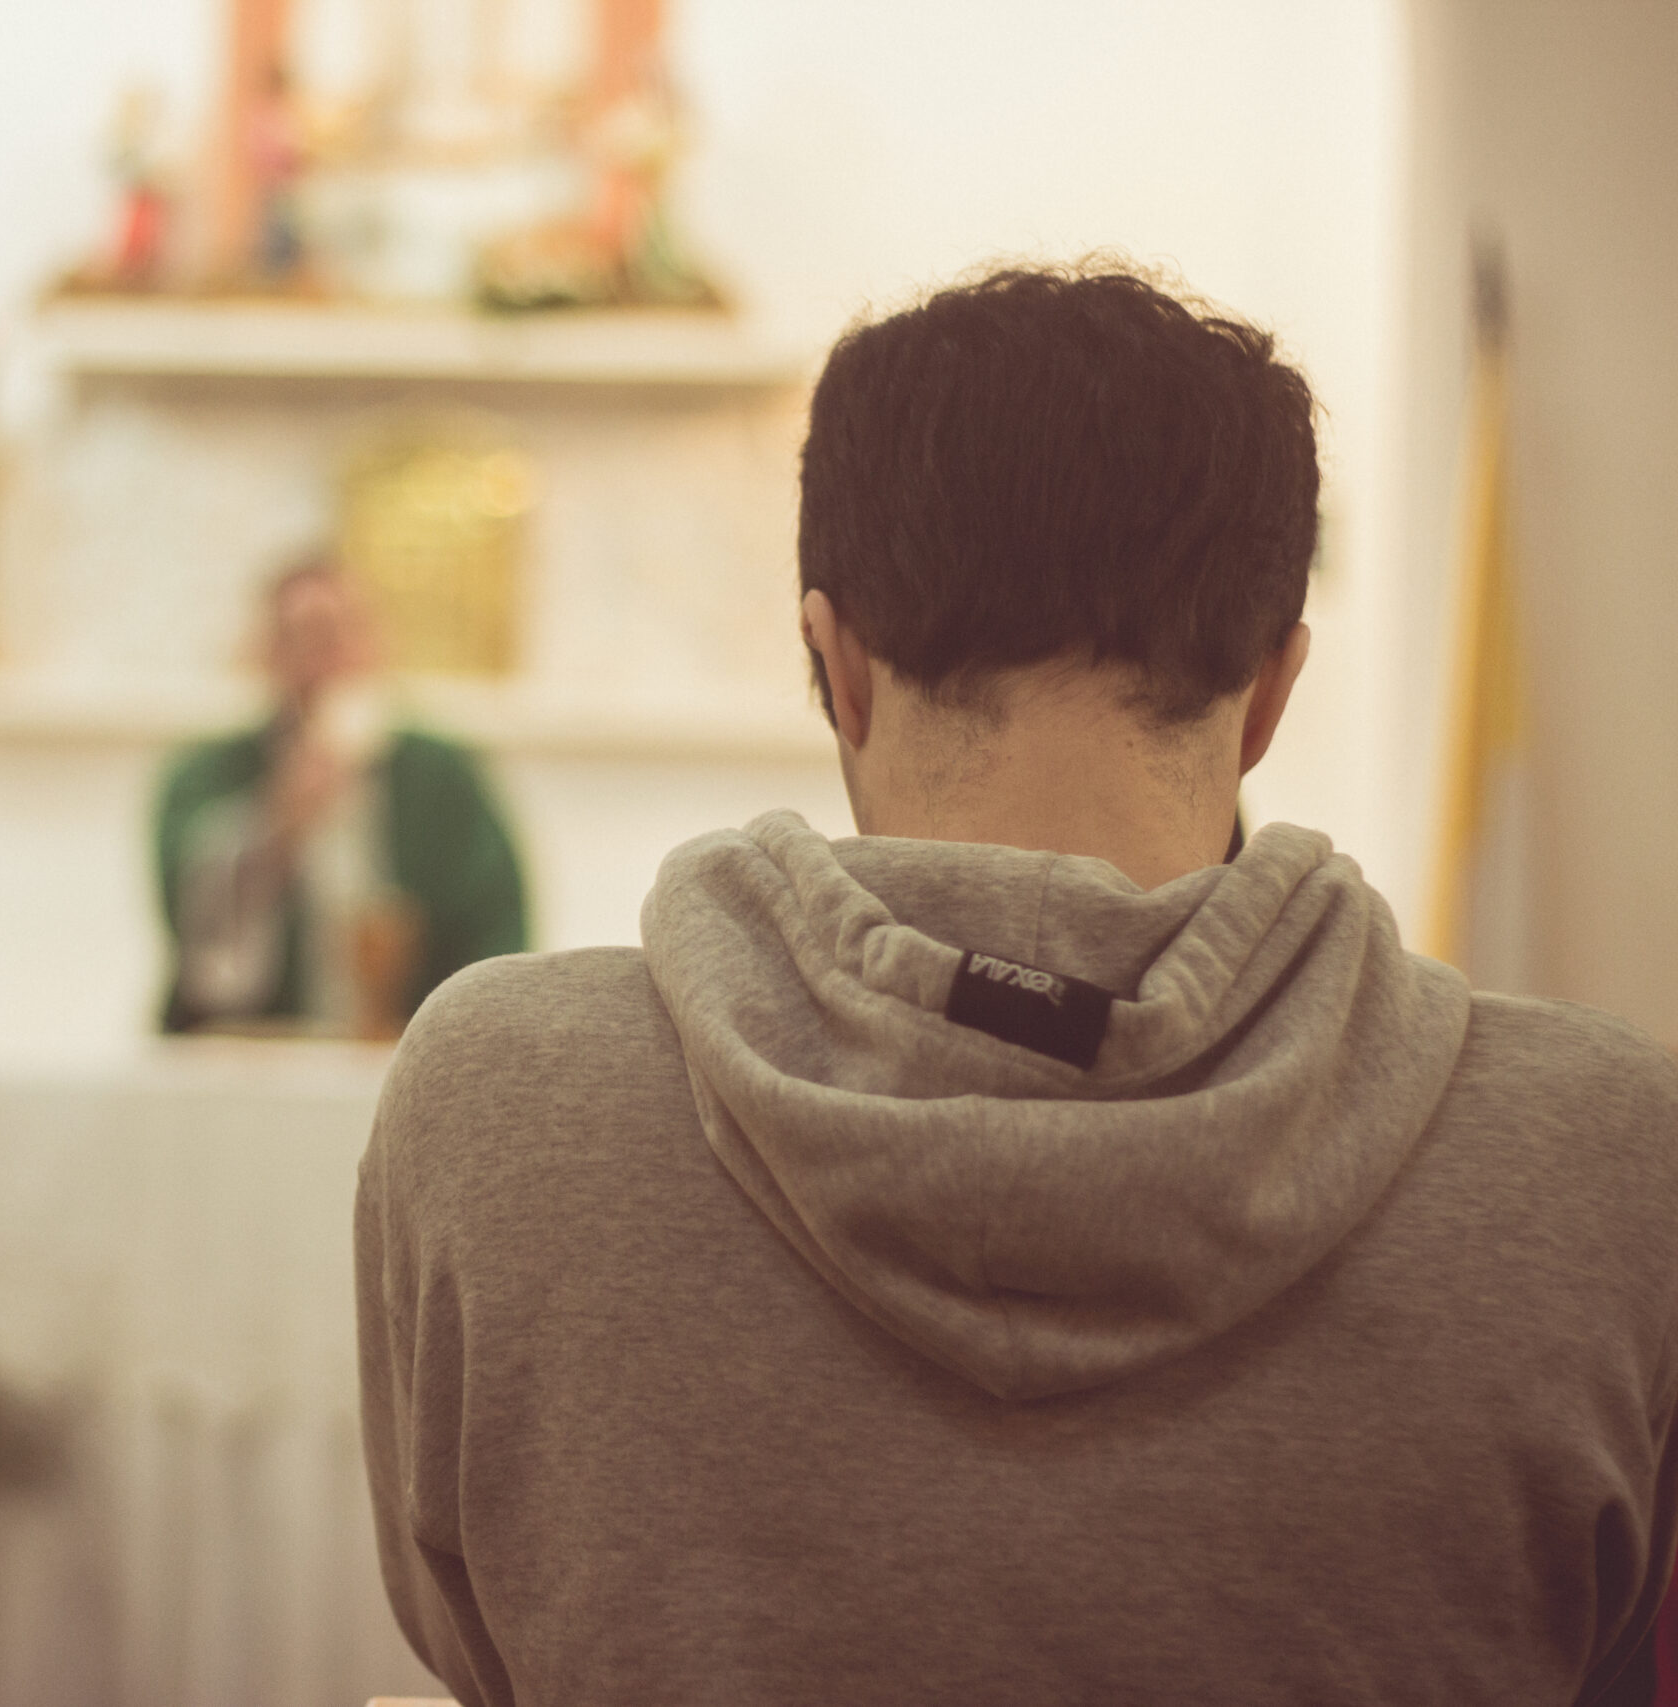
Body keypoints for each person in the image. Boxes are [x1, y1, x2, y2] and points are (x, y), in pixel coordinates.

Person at [355, 266, 1678, 1705]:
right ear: (1271, 690)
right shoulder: (1603, 1153)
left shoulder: (500, 1102)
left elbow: (484, 1650)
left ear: (839, 667)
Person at [155, 556, 526, 1037]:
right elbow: (194, 925)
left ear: (378, 643)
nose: (325, 660)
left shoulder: (440, 775)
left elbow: (496, 924)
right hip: (259, 1043)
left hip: (413, 1044)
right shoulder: (208, 774)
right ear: (265, 654)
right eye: (301, 638)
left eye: (340, 633)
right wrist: (278, 823)